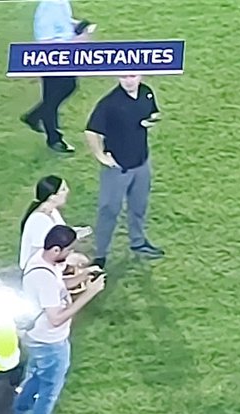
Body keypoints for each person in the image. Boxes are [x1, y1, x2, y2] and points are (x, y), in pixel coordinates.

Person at [11, 225, 106, 414]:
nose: (70, 255)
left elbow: (60, 288)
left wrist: (84, 276)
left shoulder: (43, 262)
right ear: (55, 249)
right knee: (49, 391)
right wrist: (89, 293)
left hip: (39, 339)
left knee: (34, 379)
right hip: (50, 342)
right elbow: (56, 318)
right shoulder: (44, 277)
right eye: (67, 250)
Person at [84, 74, 165, 269]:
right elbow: (91, 131)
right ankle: (100, 255)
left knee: (139, 206)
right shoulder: (110, 103)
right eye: (123, 76)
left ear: (140, 76)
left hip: (141, 163)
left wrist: (151, 121)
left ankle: (138, 242)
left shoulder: (146, 93)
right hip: (118, 168)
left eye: (132, 76)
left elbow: (152, 114)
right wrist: (101, 156)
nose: (128, 80)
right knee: (109, 210)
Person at [19, 0, 96, 153]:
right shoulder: (47, 9)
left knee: (63, 90)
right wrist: (80, 40)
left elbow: (62, 23)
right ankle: (53, 139)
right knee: (54, 97)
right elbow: (46, 44)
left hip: (65, 59)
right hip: (52, 61)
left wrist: (77, 25)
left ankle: (35, 118)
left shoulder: (60, 2)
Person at [19, 176, 92, 272]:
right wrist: (67, 260)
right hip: (37, 268)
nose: (67, 191)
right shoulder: (39, 220)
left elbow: (61, 234)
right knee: (81, 263)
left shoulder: (53, 211)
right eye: (63, 189)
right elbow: (43, 253)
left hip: (52, 259)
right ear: (52, 197)